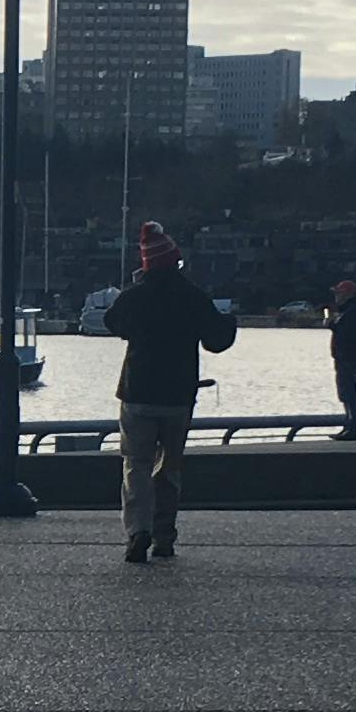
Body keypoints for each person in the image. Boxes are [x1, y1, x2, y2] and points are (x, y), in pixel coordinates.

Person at [102, 222, 235, 564]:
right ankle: (164, 536)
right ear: (176, 260)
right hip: (178, 395)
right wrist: (229, 321)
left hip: (137, 392)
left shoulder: (136, 296)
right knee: (169, 468)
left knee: (136, 464)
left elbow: (112, 323)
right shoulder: (192, 295)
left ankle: (137, 531)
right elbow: (217, 341)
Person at [326, 277, 356, 441]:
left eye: (339, 293)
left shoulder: (353, 312)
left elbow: (349, 335)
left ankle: (353, 428)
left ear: (347, 294)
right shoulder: (347, 311)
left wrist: (334, 325)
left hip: (349, 359)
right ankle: (349, 426)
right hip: (344, 358)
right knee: (345, 393)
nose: (336, 296)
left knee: (350, 393)